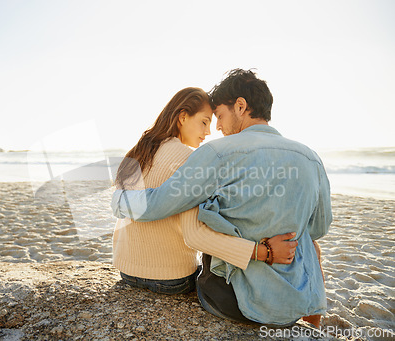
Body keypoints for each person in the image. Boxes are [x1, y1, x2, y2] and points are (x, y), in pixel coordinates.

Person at [112, 69, 332, 327]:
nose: (216, 127)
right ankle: (313, 326)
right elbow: (319, 227)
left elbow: (159, 204)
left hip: (232, 299)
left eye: (219, 116)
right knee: (309, 243)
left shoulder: (215, 154)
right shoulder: (311, 157)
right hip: (293, 300)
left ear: (240, 106)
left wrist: (119, 200)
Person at [113, 87, 298, 296]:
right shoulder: (188, 159)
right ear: (183, 117)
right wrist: (262, 252)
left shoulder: (143, 148)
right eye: (204, 121)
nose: (209, 131)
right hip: (169, 278)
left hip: (126, 270)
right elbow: (196, 235)